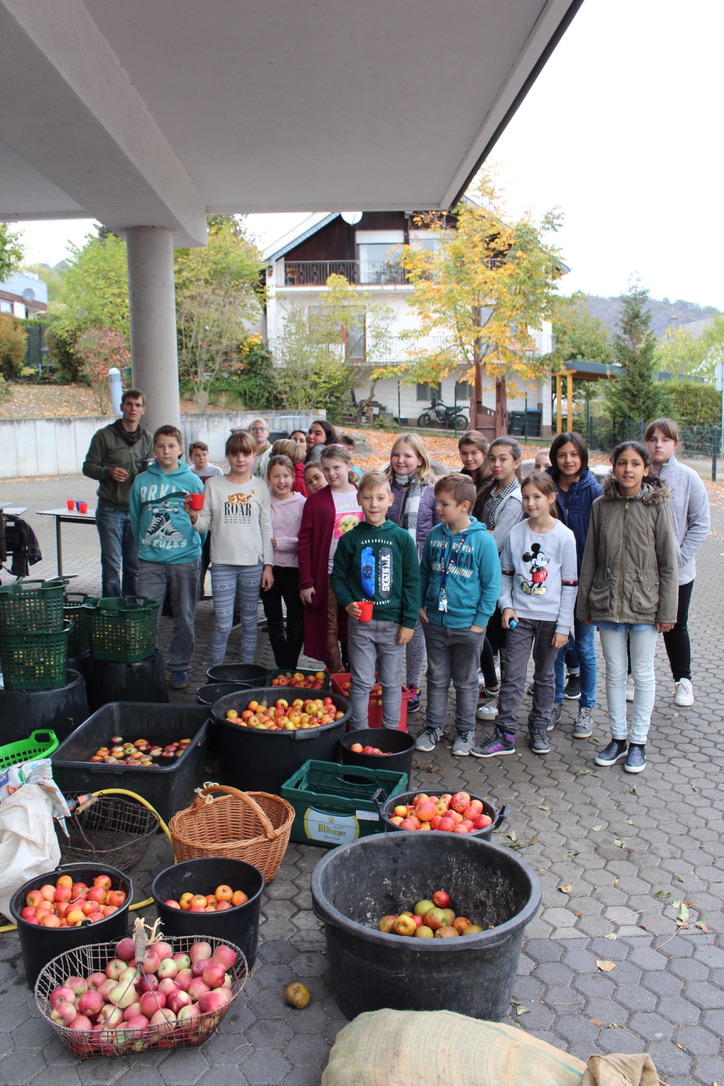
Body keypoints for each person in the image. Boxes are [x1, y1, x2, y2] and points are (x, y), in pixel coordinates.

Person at [577, 441, 678, 775]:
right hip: (606, 603)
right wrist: (585, 603)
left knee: (644, 674)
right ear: (614, 466)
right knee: (616, 674)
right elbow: (591, 556)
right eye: (622, 463)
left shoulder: (657, 506)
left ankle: (638, 742)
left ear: (646, 470)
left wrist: (668, 612)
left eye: (636, 464)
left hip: (645, 604)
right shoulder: (600, 505)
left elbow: (668, 562)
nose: (628, 470)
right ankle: (617, 739)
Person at [471, 473, 577, 758]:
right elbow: (504, 575)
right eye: (527, 497)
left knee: (544, 676)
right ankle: (504, 734)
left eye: (537, 497)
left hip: (551, 620)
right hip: (519, 617)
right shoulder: (516, 533)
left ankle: (539, 727)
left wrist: (563, 626)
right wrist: (506, 605)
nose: (530, 503)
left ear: (551, 498)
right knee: (514, 676)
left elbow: (570, 584)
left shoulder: (564, 536)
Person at [415, 473, 500, 757]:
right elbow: (425, 571)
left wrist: (480, 623)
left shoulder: (483, 542)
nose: (438, 508)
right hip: (435, 623)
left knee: (465, 681)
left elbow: (491, 585)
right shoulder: (436, 535)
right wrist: (420, 605)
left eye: (444, 503)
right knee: (436, 677)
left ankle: (465, 730)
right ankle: (433, 727)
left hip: (468, 627)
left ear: (464, 506)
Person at [331, 470, 420, 729]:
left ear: (390, 500)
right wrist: (348, 602)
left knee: (392, 682)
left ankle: (391, 733)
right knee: (362, 682)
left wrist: (409, 621)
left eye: (380, 498)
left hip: (394, 624)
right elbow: (337, 578)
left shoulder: (402, 538)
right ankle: (358, 735)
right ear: (358, 499)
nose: (373, 504)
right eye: (368, 497)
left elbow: (412, 582)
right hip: (361, 625)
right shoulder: (349, 539)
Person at [188, 430, 274, 666]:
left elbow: (266, 529)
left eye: (246, 454)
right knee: (224, 623)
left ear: (254, 455)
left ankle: (246, 671)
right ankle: (213, 674)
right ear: (227, 456)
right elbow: (204, 525)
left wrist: (268, 566)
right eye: (234, 454)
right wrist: (194, 517)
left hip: (252, 565)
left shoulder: (261, 487)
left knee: (249, 622)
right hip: (223, 564)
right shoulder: (214, 485)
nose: (240, 459)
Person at [129, 426, 204, 690]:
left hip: (185, 559)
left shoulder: (192, 481)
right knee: (146, 616)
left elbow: (200, 520)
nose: (165, 451)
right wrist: (146, 548)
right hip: (151, 560)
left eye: (171, 446)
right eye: (160, 446)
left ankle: (180, 667)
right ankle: (148, 665)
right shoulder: (142, 481)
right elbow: (136, 518)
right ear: (154, 449)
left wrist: (192, 548)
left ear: (181, 449)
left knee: (184, 616)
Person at [645, 417, 710, 707]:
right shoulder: (636, 472)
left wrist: (679, 558)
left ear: (675, 444)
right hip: (641, 571)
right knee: (640, 624)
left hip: (679, 573)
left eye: (665, 440)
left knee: (676, 626)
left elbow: (700, 523)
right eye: (653, 439)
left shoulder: (688, 477)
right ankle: (636, 675)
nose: (659, 445)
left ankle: (683, 680)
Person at [546, 432, 603, 739]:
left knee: (583, 646)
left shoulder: (593, 491)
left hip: (582, 582)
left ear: (583, 457)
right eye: (562, 454)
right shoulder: (546, 486)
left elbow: (598, 542)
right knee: (555, 648)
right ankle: (554, 702)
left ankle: (587, 708)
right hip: (549, 582)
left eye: (574, 455)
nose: (568, 460)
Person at [384, 433, 439, 714]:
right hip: (387, 566)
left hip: (419, 569)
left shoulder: (431, 490)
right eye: (397, 455)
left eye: (407, 455)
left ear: (419, 459)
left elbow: (439, 530)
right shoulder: (383, 486)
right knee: (388, 625)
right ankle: (388, 683)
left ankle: (412, 685)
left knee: (414, 627)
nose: (401, 460)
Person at [82, 388, 153, 596]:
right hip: (110, 510)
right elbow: (88, 467)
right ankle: (112, 611)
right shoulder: (104, 436)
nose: (133, 408)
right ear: (122, 407)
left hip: (136, 510)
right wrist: (108, 472)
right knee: (112, 565)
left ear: (143, 410)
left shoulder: (147, 438)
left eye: (138, 405)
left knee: (134, 566)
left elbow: (154, 471)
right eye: (129, 404)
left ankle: (131, 611)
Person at [474, 436, 525, 724]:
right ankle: (495, 687)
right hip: (487, 573)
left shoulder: (515, 498)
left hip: (505, 576)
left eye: (503, 459)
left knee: (506, 641)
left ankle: (506, 700)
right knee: (492, 633)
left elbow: (496, 539)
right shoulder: (491, 490)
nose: (496, 463)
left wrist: (477, 539)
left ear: (516, 463)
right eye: (492, 458)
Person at [298, 445, 361, 671]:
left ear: (349, 466)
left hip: (358, 577)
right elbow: (304, 544)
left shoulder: (362, 495)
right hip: (328, 575)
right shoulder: (315, 501)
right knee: (330, 628)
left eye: (337, 467)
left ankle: (357, 674)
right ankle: (336, 675)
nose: (331, 473)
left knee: (354, 629)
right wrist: (306, 582)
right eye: (326, 469)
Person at [263, 455, 306, 669]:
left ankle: (290, 666)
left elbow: (307, 540)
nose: (281, 481)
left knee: (296, 622)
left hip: (294, 570)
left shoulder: (302, 503)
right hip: (268, 569)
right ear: (268, 478)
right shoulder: (263, 502)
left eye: (286, 476)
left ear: (293, 477)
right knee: (274, 621)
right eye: (276, 476)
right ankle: (282, 666)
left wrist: (281, 542)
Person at [188, 441, 224, 599]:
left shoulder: (216, 471)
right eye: (197, 455)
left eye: (204, 454)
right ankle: (198, 590)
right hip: (195, 521)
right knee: (200, 560)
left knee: (214, 559)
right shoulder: (188, 473)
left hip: (213, 525)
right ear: (190, 457)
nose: (201, 458)